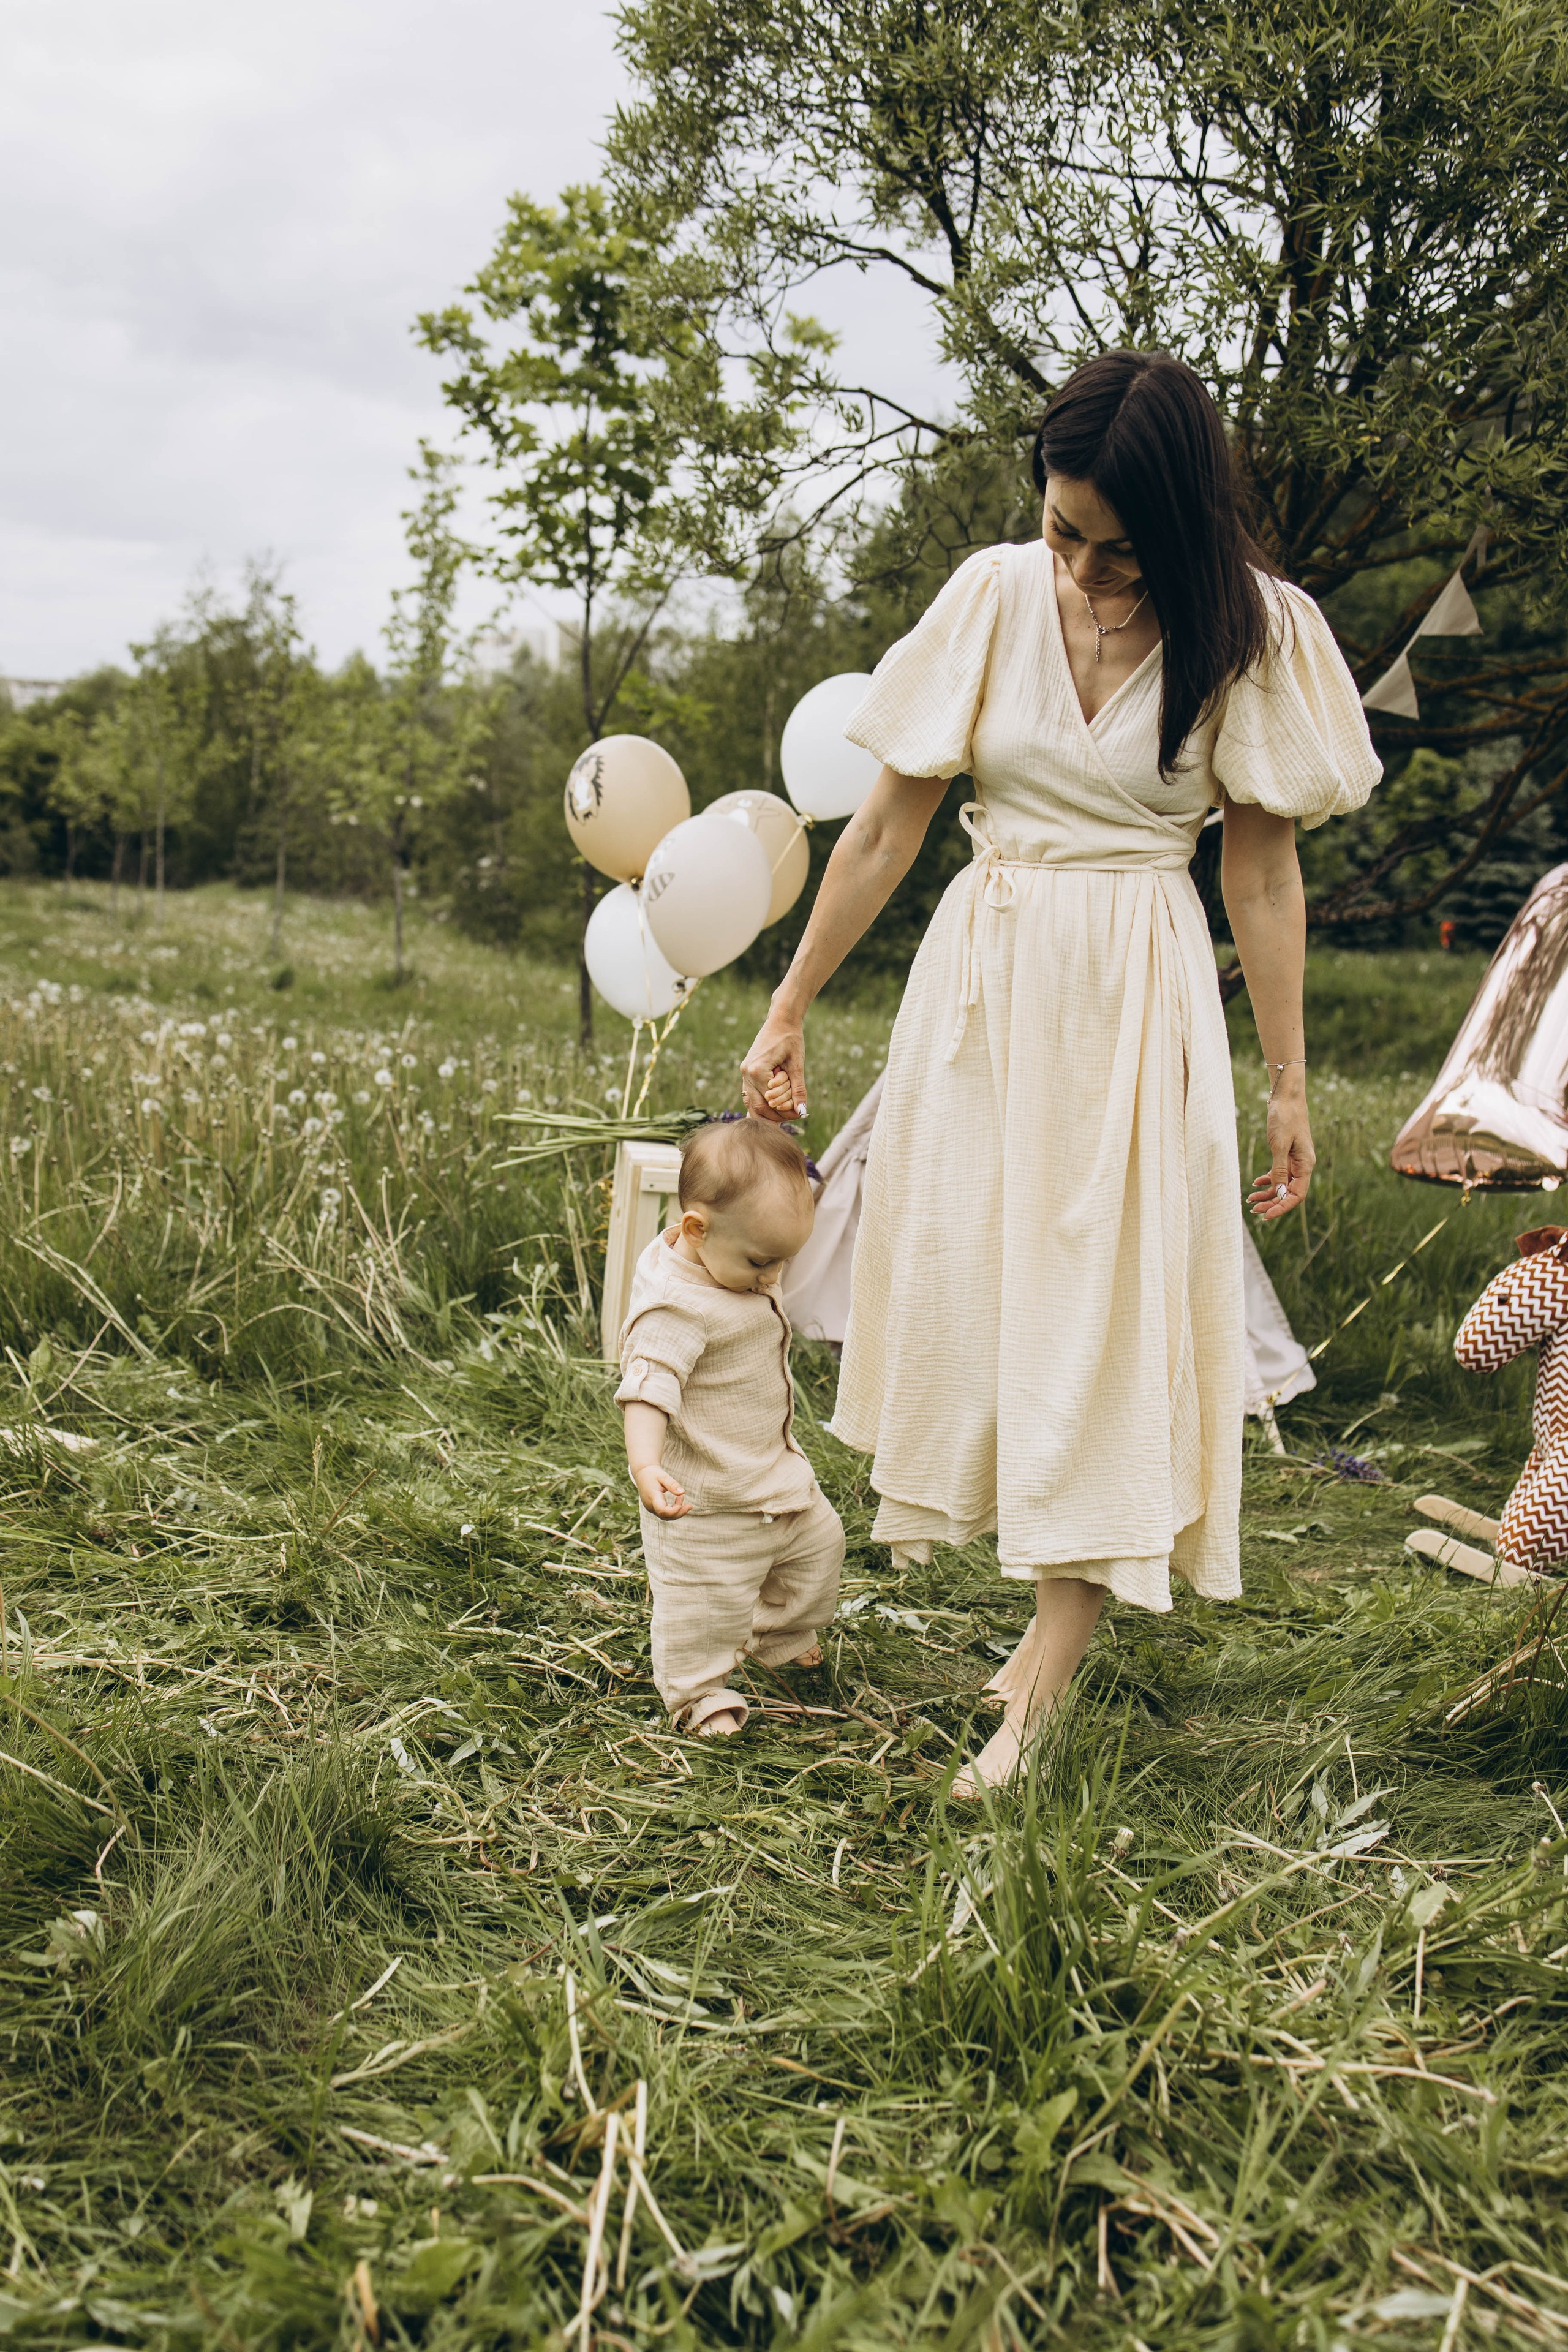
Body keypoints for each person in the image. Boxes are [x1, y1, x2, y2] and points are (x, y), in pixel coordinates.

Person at [745, 350, 1381, 1793]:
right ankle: (1020, 1580)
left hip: (1135, 989)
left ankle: (1044, 1670)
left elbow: (1263, 874)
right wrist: (788, 1004)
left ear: (1178, 526)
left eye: (1117, 548)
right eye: (1062, 535)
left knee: (1104, 1303)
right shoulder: (986, 595)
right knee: (979, 1285)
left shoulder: (1256, 631)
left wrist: (1285, 1079)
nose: (1085, 572)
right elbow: (881, 831)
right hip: (985, 981)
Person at [616, 1117, 846, 1738]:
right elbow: (647, 1385)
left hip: (775, 1476)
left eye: (782, 1262)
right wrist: (646, 1464)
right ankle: (697, 1695)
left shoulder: (730, 1258)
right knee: (701, 1606)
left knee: (820, 1552)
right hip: (708, 1501)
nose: (772, 1277)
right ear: (696, 1228)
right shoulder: (677, 1304)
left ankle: (777, 1636)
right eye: (761, 1261)